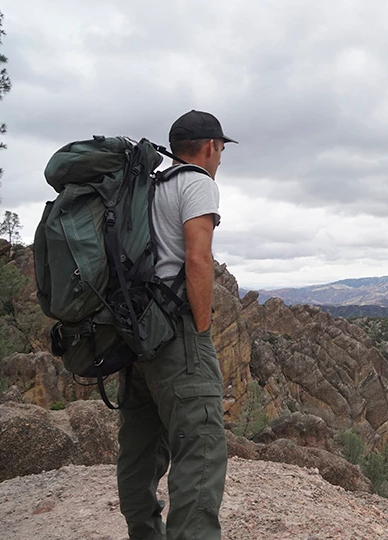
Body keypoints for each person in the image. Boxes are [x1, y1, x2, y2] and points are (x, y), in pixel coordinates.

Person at [116, 110, 236, 540]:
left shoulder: (145, 188)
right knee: (200, 451)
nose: (220, 158)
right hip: (175, 334)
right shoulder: (198, 183)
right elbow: (198, 259)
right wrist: (199, 333)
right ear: (209, 147)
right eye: (221, 149)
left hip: (134, 335)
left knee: (139, 450)